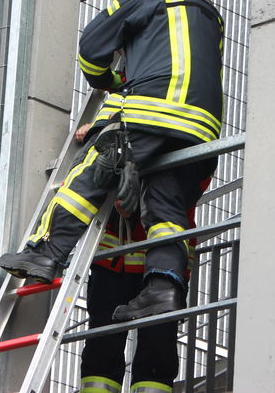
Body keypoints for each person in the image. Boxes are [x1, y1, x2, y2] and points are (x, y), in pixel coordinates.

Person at [0, 0, 224, 333]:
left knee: (89, 175)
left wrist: (108, 81)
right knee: (166, 207)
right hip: (201, 128)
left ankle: (45, 253)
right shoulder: (208, 10)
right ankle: (163, 287)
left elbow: (92, 46)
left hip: (153, 111)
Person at [73, 122, 211, 393]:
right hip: (115, 261)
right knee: (103, 340)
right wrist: (98, 130)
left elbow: (182, 194)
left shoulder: (186, 147)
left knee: (157, 345)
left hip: (160, 271)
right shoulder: (128, 133)